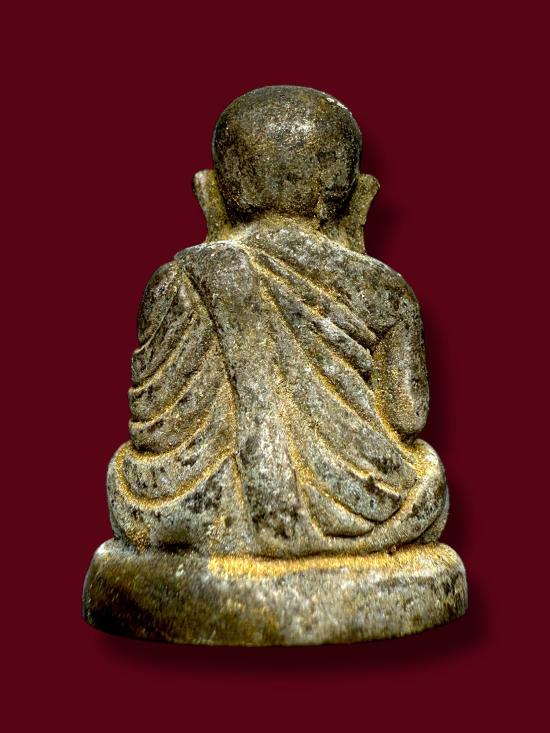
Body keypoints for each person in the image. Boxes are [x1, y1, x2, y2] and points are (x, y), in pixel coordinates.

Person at [107, 86, 448, 558]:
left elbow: (153, 428)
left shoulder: (174, 279)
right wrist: (353, 250)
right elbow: (408, 416)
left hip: (200, 509)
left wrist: (216, 239)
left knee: (125, 472)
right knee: (426, 476)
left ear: (217, 188)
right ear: (349, 191)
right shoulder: (383, 290)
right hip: (354, 507)